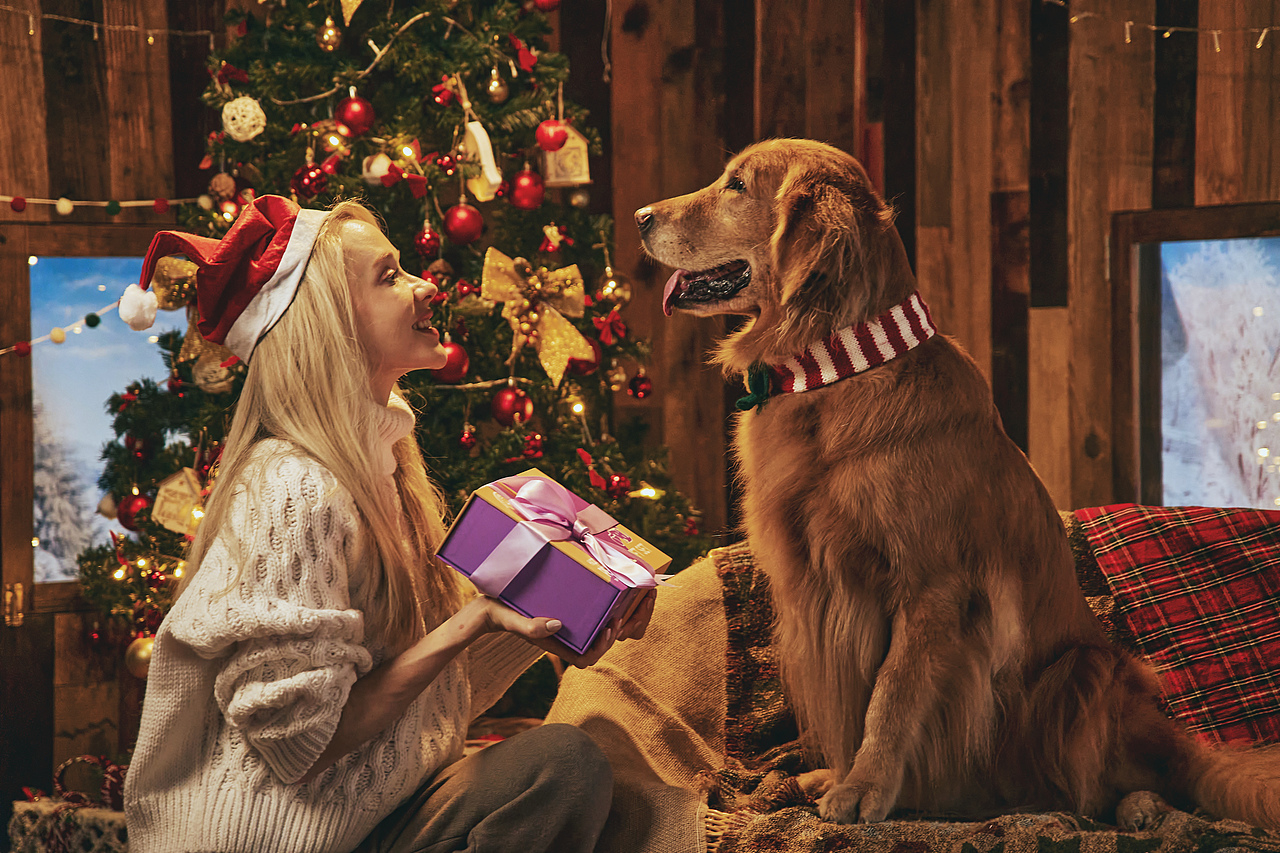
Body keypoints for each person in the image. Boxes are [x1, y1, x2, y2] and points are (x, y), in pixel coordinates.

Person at [120, 195, 655, 853]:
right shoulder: (293, 486)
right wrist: (475, 618)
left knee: (562, 765)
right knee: (564, 762)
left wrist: (537, 624)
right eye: (391, 274)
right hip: (268, 842)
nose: (425, 284)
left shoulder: (387, 469)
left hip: (369, 822)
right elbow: (300, 746)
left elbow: (422, 706)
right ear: (331, 324)